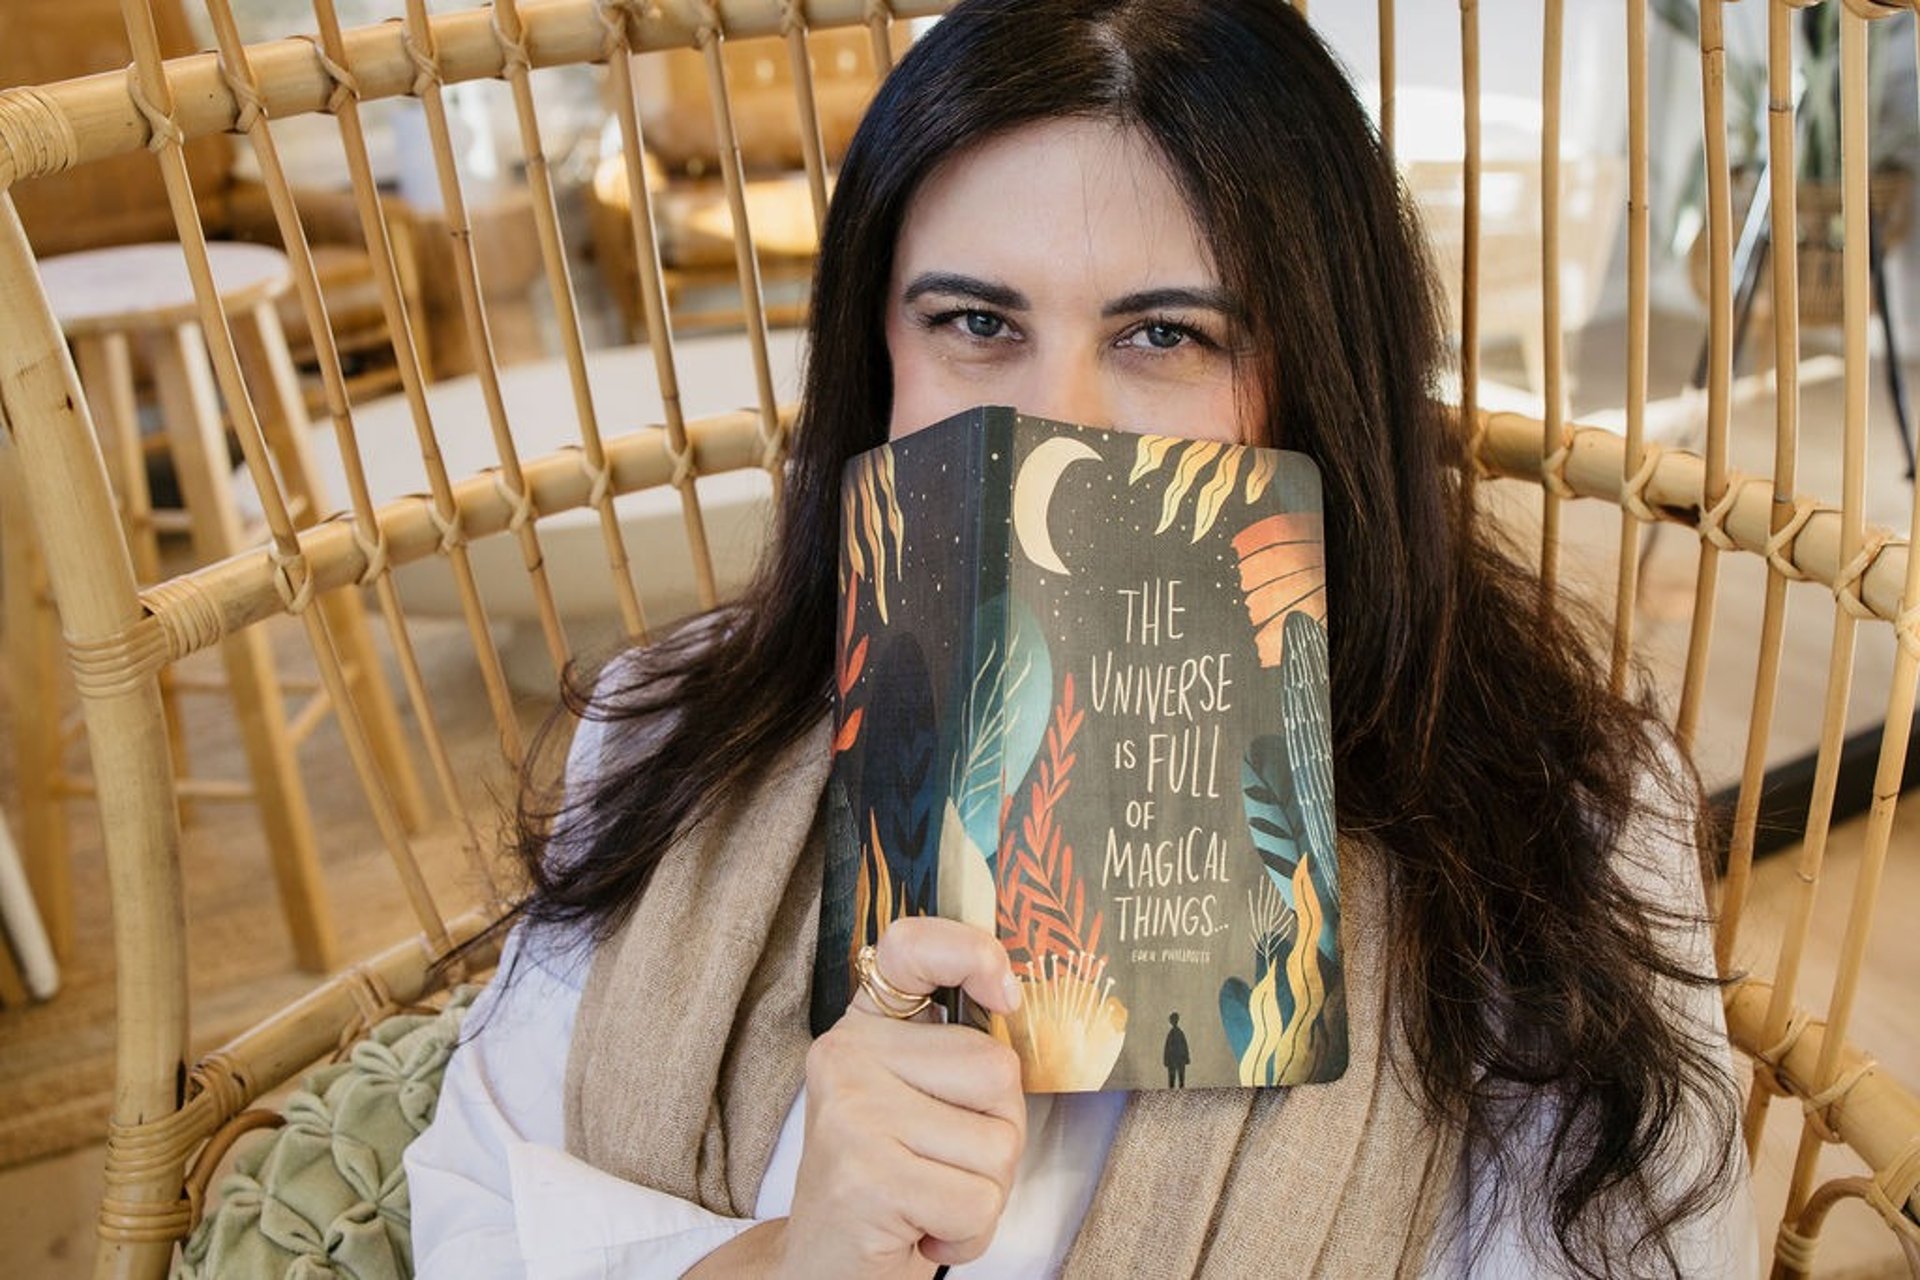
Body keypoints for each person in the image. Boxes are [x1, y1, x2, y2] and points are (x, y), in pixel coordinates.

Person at [406, 1, 1754, 1275]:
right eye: (976, 323)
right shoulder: (669, 725)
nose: (1054, 433)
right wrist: (792, 1251)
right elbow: (471, 1212)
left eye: (1165, 333)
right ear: (878, 357)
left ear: (1313, 382)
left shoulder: (1556, 823)